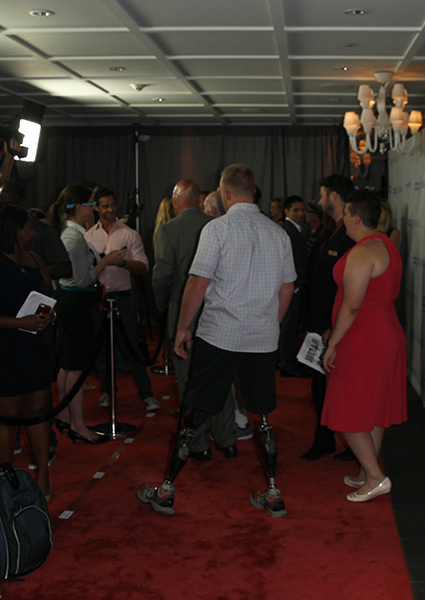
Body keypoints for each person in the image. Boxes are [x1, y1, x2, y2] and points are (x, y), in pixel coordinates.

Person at [137, 163, 295, 518]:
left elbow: (198, 284)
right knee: (264, 417)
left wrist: (181, 329)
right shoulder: (278, 233)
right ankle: (273, 492)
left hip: (219, 336)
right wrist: (272, 323)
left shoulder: (217, 229)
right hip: (261, 339)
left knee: (193, 412)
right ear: (253, 192)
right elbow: (288, 287)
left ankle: (167, 490)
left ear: (224, 194)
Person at [0, 205, 56, 499]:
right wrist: (18, 322)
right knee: (7, 414)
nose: (33, 232)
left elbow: (48, 294)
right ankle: (7, 481)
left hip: (34, 345)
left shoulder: (34, 259)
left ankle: (42, 473)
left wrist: (47, 316)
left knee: (39, 410)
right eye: (29, 227)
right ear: (15, 231)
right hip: (0, 346)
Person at [321, 191, 406, 502]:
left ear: (356, 218)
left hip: (364, 338)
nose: (341, 219)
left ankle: (374, 476)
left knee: (348, 408)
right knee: (373, 409)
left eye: (345, 214)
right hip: (383, 334)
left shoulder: (363, 251)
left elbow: (352, 305)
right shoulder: (385, 245)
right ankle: (365, 471)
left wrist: (333, 342)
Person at [152, 180, 238, 461]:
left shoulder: (167, 230)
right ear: (199, 200)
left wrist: (163, 306)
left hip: (183, 309)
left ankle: (198, 443)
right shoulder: (219, 225)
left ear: (177, 201)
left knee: (188, 379)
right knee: (221, 375)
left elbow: (162, 275)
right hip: (218, 309)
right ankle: (227, 439)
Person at [50, 184, 122, 443]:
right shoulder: (73, 238)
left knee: (68, 365)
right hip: (76, 303)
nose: (94, 208)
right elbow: (82, 279)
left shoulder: (71, 235)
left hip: (70, 303)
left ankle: (68, 418)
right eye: (91, 203)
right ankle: (78, 424)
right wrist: (106, 262)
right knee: (75, 367)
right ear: (78, 207)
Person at [84, 188, 159, 412]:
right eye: (105, 206)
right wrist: (103, 262)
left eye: (113, 205)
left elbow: (144, 266)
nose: (110, 210)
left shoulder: (129, 234)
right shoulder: (88, 237)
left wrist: (122, 262)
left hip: (123, 298)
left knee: (131, 347)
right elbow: (82, 271)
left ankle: (146, 394)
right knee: (101, 349)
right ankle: (107, 391)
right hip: (98, 298)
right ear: (97, 208)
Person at [300, 174, 356, 461]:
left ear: (335, 196)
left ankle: (352, 445)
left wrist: (333, 328)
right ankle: (325, 440)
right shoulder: (330, 230)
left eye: (323, 195)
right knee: (320, 386)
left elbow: (347, 288)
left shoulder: (349, 233)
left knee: (339, 387)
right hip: (322, 324)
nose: (320, 201)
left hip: (335, 326)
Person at [277, 195, 308, 376]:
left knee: (289, 326)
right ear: (286, 211)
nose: (300, 213)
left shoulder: (296, 229)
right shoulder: (287, 230)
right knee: (287, 327)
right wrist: (294, 286)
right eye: (295, 210)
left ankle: (284, 360)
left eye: (302, 210)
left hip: (295, 285)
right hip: (290, 287)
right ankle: (285, 362)